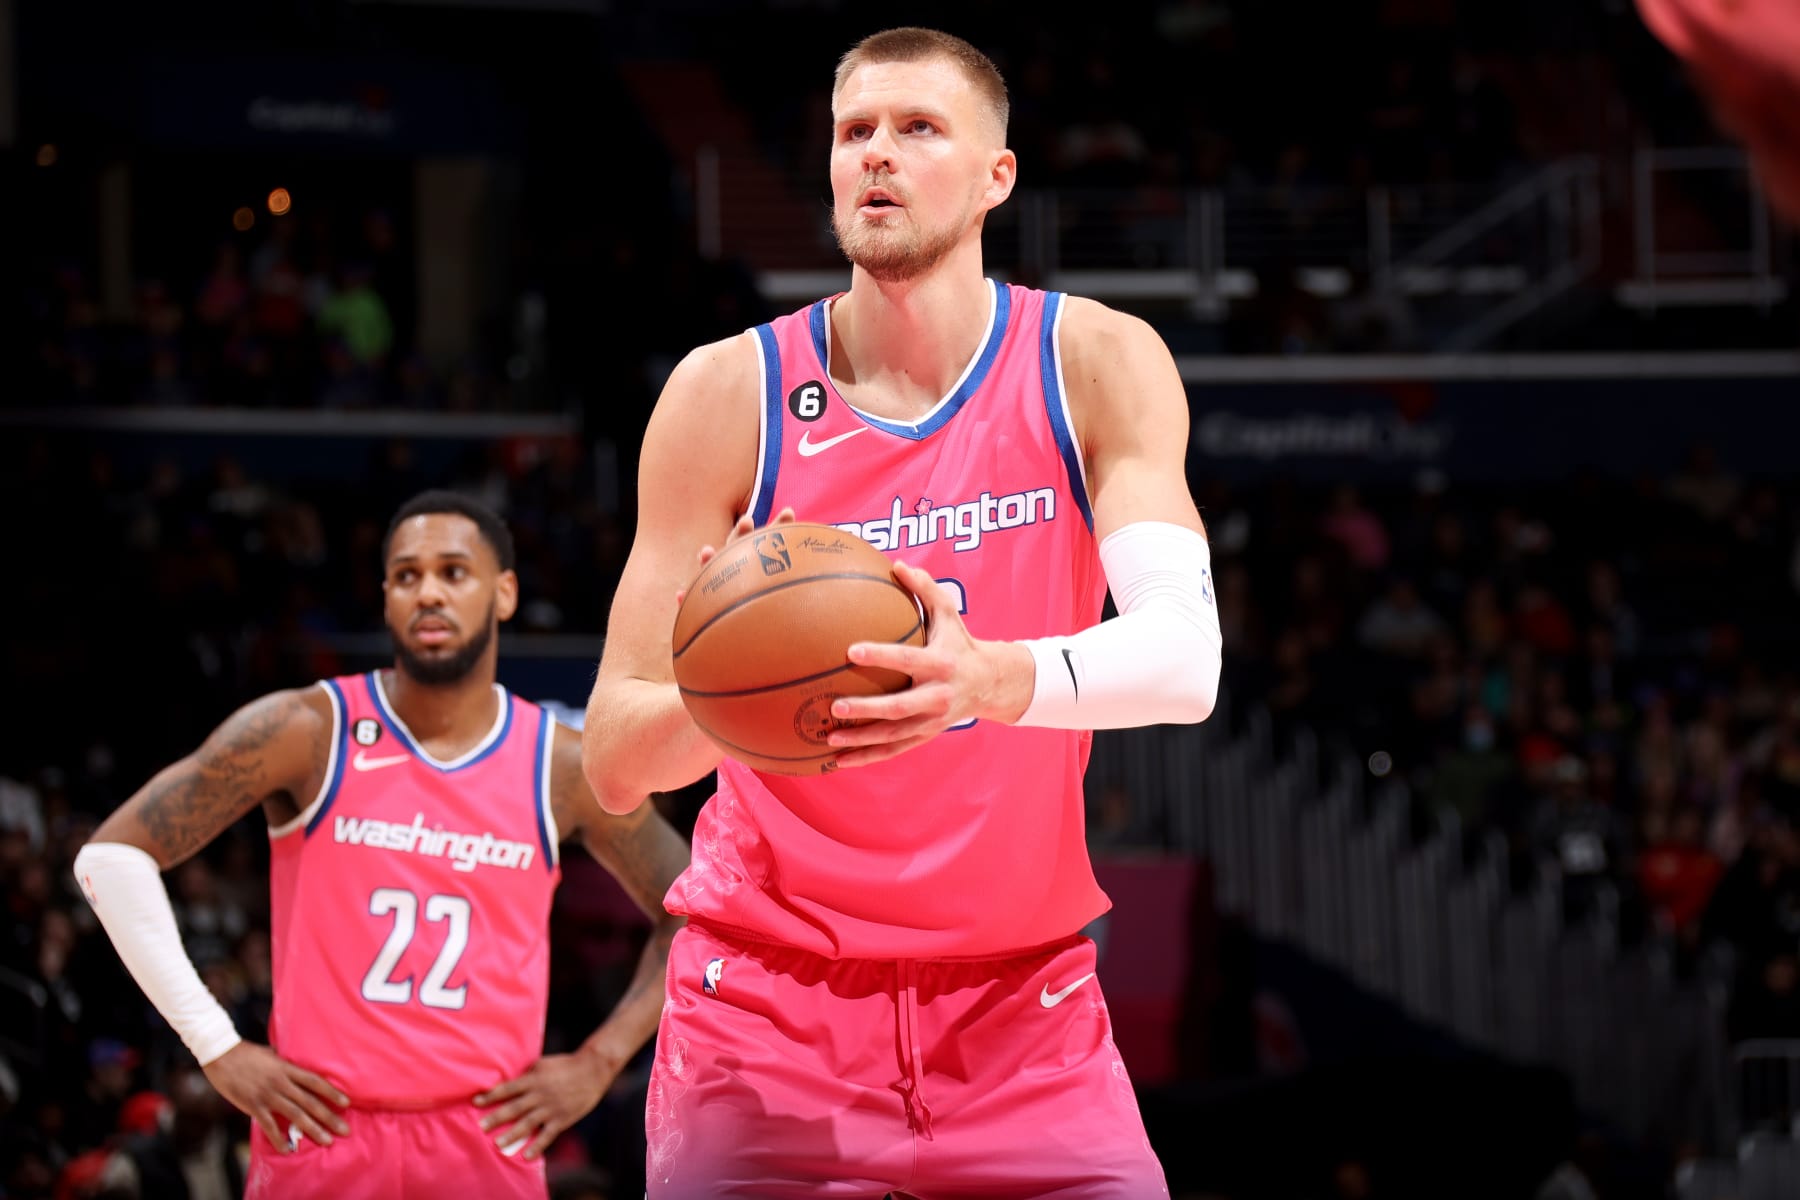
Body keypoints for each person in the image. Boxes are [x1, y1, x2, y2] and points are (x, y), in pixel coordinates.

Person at [582, 27, 1221, 1198]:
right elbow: (617, 759)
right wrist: (738, 693)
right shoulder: (728, 394)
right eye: (853, 132)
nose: (876, 155)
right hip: (765, 1015)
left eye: (918, 128)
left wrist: (985, 682)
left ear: (997, 177)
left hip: (1021, 1012)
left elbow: (1185, 663)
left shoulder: (1094, 362)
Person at [75, 491, 690, 1199]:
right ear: (386, 598)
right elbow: (111, 859)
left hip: (484, 1137)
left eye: (453, 572)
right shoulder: (306, 732)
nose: (428, 592)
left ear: (505, 592)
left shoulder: (558, 766)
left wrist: (598, 1063)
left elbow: (687, 908)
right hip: (321, 1128)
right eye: (406, 575)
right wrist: (215, 1046)